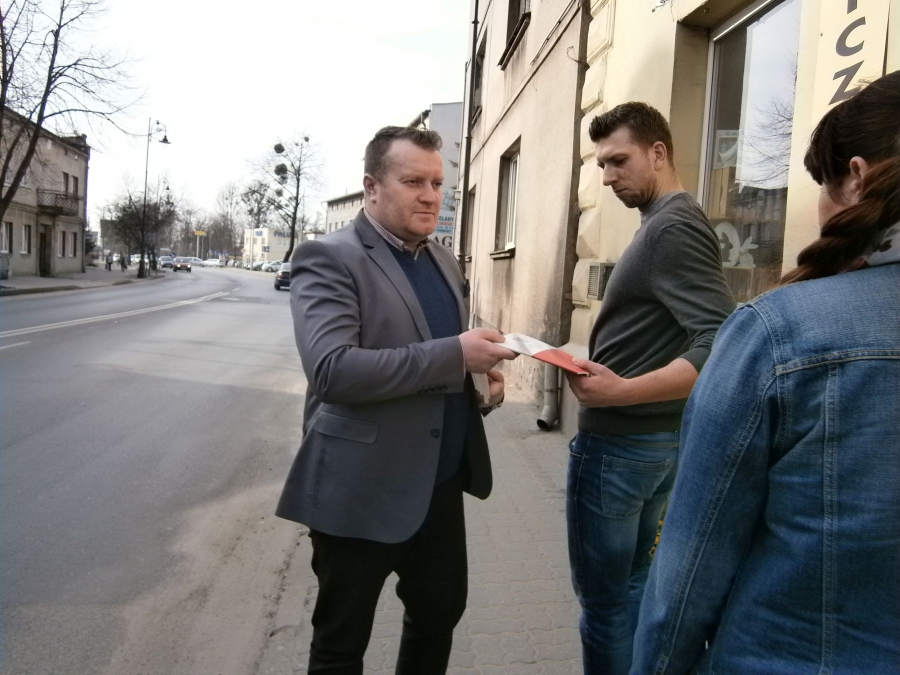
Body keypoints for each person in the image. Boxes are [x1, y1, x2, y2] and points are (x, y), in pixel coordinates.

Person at [631, 71, 900, 675]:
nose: (606, 175)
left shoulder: (780, 333)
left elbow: (690, 564)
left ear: (856, 177)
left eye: (822, 184)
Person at [275, 126, 517, 674]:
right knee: (341, 645)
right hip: (360, 488)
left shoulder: (443, 260)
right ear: (372, 187)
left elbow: (438, 356)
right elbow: (333, 371)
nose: (431, 196)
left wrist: (477, 383)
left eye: (437, 183)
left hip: (439, 486)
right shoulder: (328, 257)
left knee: (438, 618)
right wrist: (455, 354)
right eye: (413, 182)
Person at [563, 102, 735, 675]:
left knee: (604, 606)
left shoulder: (672, 228)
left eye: (619, 161)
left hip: (622, 448)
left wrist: (621, 392)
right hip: (646, 447)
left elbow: (718, 343)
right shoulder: (665, 222)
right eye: (601, 165)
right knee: (631, 589)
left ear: (658, 153)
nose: (607, 177)